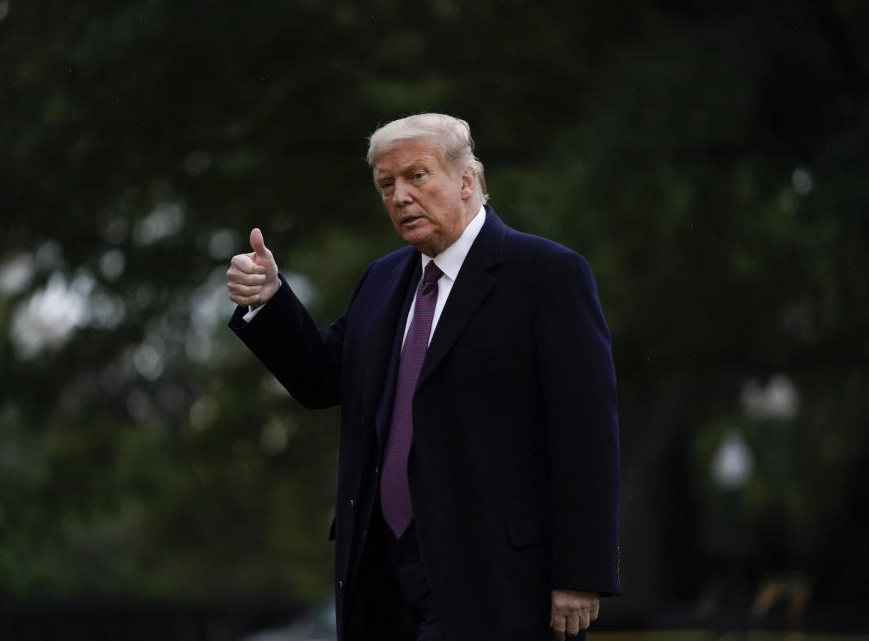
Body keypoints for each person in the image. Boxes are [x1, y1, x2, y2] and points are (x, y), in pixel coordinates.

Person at [227, 113, 620, 641]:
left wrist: (582, 573)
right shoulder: (381, 280)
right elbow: (322, 378)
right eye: (386, 184)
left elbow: (586, 433)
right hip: (381, 572)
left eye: (416, 176)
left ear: (466, 181)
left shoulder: (547, 275)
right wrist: (271, 301)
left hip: (497, 574)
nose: (400, 196)